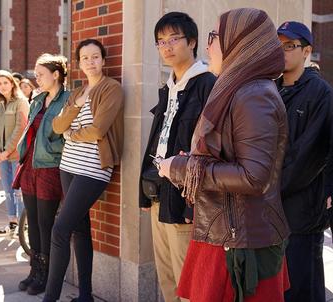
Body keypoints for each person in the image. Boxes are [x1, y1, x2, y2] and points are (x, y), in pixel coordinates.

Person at [159, 8, 290, 302]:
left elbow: (253, 176)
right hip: (226, 230)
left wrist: (181, 168)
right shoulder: (239, 89)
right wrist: (194, 161)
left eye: (214, 36)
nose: (208, 45)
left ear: (238, 43)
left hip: (240, 242)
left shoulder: (253, 94)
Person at [138, 12, 216, 302]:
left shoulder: (207, 84)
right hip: (159, 192)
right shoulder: (168, 87)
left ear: (192, 41)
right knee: (167, 275)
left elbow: (212, 148)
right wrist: (143, 194)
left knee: (188, 281)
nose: (167, 46)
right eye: (161, 41)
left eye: (174, 39)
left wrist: (194, 204)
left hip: (185, 198)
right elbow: (154, 142)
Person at [44, 39, 124, 302]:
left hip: (93, 168)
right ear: (79, 63)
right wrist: (76, 107)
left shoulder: (111, 88)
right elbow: (57, 127)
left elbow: (99, 129)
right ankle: (86, 296)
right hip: (68, 166)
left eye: (95, 57)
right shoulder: (77, 92)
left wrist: (72, 134)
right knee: (79, 229)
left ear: (103, 60)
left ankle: (50, 297)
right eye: (85, 58)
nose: (91, 62)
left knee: (59, 229)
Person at [275, 21, 333, 302]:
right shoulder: (270, 89)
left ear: (307, 50)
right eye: (277, 45)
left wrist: (266, 186)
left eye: (289, 46)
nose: (281, 51)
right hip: (270, 210)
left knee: (303, 288)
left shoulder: (320, 93)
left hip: (302, 213)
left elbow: (308, 156)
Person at [15, 54, 70, 295]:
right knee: (33, 222)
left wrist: (50, 149)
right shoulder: (37, 99)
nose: (36, 78)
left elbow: (67, 135)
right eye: (35, 74)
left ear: (56, 74)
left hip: (50, 168)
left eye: (41, 74)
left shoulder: (68, 99)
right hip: (30, 166)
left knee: (46, 223)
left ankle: (46, 275)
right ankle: (34, 270)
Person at [0, 70, 29, 236]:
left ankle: (23, 225)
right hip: (1, 156)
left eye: (5, 82)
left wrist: (7, 150)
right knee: (7, 190)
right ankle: (12, 222)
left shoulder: (21, 102)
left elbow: (21, 128)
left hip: (16, 155)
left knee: (18, 191)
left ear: (12, 83)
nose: (2, 86)